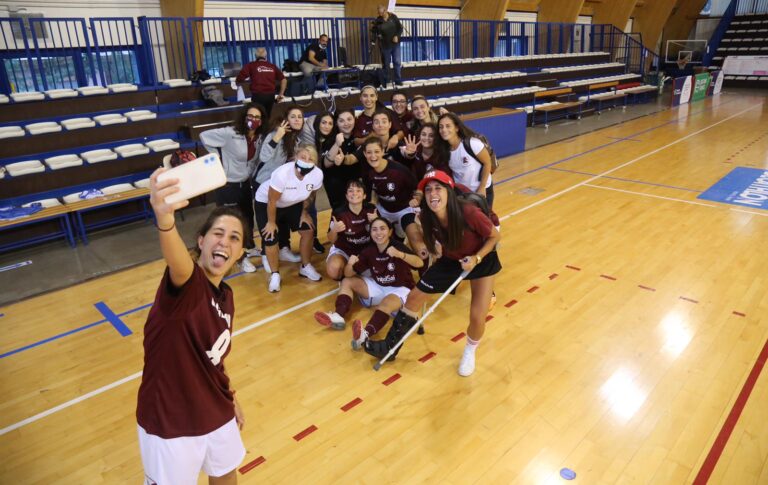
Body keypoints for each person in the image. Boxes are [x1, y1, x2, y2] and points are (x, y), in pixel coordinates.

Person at [136, 171, 248, 484]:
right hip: (170, 421)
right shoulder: (188, 283)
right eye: (218, 233)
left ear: (239, 253)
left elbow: (213, 358)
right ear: (201, 241)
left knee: (226, 476)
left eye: (234, 238)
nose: (225, 241)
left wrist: (230, 396)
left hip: (214, 408)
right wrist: (165, 220)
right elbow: (179, 262)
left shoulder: (226, 296)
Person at [364, 170, 501, 377]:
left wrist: (476, 258)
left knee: (476, 316)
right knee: (414, 296)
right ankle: (390, 347)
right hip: (451, 259)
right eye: (428, 190)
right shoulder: (427, 216)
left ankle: (469, 351)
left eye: (438, 188)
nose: (432, 193)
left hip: (481, 258)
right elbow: (434, 245)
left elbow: (494, 236)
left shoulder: (468, 212)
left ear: (449, 191)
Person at [316, 217, 422, 347]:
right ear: (370, 233)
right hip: (378, 286)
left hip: (400, 288)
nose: (378, 233)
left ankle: (364, 335)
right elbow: (348, 274)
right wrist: (350, 264)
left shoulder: (398, 247)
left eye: (382, 229)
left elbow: (420, 263)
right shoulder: (369, 251)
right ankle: (338, 315)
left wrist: (401, 255)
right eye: (374, 230)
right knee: (347, 281)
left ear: (390, 232)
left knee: (386, 303)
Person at [199, 102, 268, 273]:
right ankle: (240, 259)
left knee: (248, 217)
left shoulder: (258, 137)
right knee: (232, 222)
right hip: (227, 184)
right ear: (244, 117)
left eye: (258, 117)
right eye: (250, 116)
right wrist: (217, 158)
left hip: (245, 183)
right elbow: (203, 136)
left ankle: (249, 246)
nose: (254, 120)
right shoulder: (230, 133)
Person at [254, 143, 324, 292]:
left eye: (310, 158)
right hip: (267, 202)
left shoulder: (317, 174)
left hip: (293, 203)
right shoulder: (282, 173)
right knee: (270, 236)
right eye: (303, 157)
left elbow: (311, 193)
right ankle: (275, 275)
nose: (306, 160)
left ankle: (305, 267)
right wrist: (272, 222)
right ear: (295, 157)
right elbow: (272, 201)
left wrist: (304, 213)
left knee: (308, 230)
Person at [358, 136, 427, 263]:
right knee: (371, 231)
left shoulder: (399, 171)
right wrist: (373, 205)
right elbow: (373, 190)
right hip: (384, 210)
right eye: (369, 152)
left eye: (376, 151)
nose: (373, 156)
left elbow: (418, 189)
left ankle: (426, 278)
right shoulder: (367, 172)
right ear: (364, 154)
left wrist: (417, 199)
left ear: (383, 151)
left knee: (420, 247)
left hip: (404, 209)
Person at [437, 112, 494, 208]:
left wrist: (482, 187)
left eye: (448, 126)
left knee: (484, 220)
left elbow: (487, 163)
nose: (444, 130)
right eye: (441, 127)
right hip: (462, 193)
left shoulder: (471, 143)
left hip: (480, 191)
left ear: (456, 128)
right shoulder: (444, 150)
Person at [323, 180, 377, 281]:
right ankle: (348, 270)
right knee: (334, 271)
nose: (354, 193)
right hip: (344, 250)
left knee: (377, 269)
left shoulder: (372, 210)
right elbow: (331, 240)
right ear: (347, 196)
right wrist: (334, 230)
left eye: (358, 190)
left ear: (364, 196)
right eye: (351, 191)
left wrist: (376, 222)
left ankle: (353, 269)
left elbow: (383, 236)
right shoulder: (338, 213)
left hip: (366, 250)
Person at [321, 109, 361, 211]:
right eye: (341, 121)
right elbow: (326, 164)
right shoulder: (330, 140)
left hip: (355, 183)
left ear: (355, 119)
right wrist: (337, 144)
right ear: (336, 123)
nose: (346, 123)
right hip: (336, 186)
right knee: (340, 214)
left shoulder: (358, 138)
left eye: (349, 119)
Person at [235, 47, 286, 117]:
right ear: (266, 56)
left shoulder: (251, 65)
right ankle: (266, 127)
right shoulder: (272, 66)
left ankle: (260, 127)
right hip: (270, 96)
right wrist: (281, 94)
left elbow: (240, 77)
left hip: (257, 96)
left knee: (257, 116)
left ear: (255, 56)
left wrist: (237, 82)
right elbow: (284, 79)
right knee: (267, 116)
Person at [372, 5, 404, 87]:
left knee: (397, 62)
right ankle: (386, 80)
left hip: (395, 44)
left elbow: (400, 28)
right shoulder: (378, 20)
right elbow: (374, 31)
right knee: (386, 63)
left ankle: (398, 80)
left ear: (385, 11)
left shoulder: (393, 17)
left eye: (381, 13)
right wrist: (376, 37)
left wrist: (397, 36)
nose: (380, 14)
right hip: (385, 45)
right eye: (379, 13)